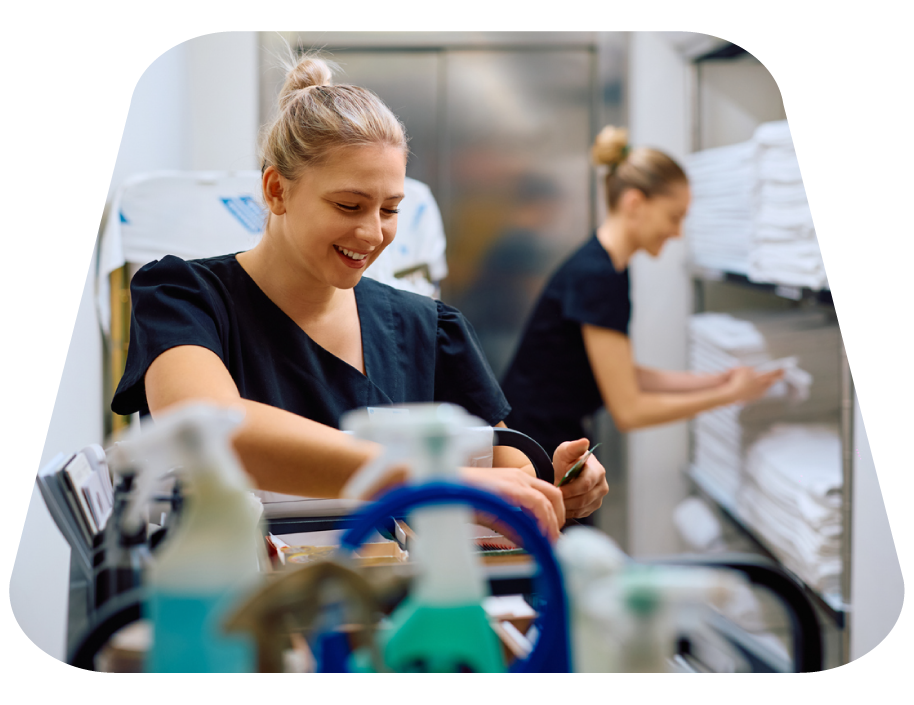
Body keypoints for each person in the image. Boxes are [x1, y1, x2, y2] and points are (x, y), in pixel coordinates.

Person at [111, 54, 609, 543]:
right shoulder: (184, 298)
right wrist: (432, 480)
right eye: (349, 205)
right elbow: (210, 428)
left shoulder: (426, 329)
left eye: (390, 209)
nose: (372, 233)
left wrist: (551, 488)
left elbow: (506, 464)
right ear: (276, 190)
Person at [501, 126, 784, 483]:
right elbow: (630, 410)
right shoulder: (597, 275)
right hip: (536, 449)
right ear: (635, 203)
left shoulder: (607, 268)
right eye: (674, 216)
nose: (678, 232)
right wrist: (729, 394)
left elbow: (619, 371)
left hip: (540, 439)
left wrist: (712, 381)